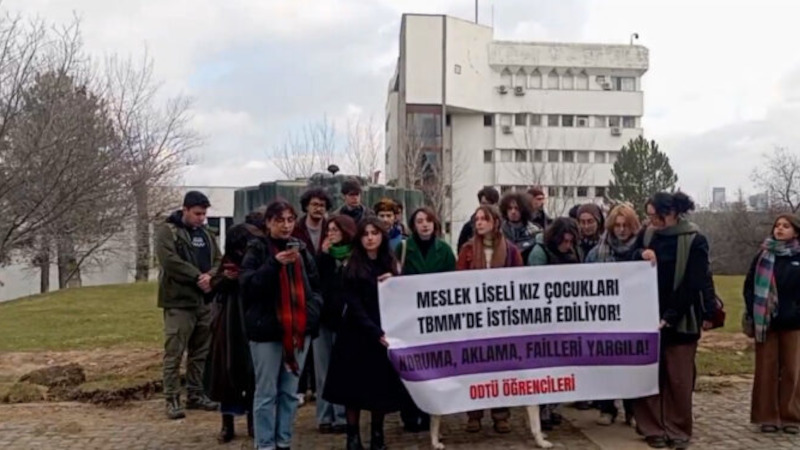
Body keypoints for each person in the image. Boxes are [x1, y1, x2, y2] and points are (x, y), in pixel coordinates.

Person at [633, 192, 714, 450]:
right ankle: (652, 427)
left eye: (655, 216)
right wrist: (641, 254)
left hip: (682, 319)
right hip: (647, 315)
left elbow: (694, 281)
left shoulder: (695, 240)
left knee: (679, 379)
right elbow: (630, 261)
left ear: (671, 213)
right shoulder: (647, 235)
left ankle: (678, 429)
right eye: (648, 216)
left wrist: (670, 316)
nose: (651, 221)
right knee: (648, 375)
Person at [240, 200, 322, 450]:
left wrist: (312, 312)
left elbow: (315, 285)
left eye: (290, 220)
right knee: (266, 393)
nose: (286, 226)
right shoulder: (257, 248)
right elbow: (248, 286)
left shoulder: (301, 249)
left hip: (298, 330)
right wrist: (274, 264)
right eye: (280, 220)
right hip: (267, 331)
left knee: (289, 393)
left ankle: (283, 441)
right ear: (268, 223)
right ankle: (265, 444)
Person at [324, 217, 405, 450]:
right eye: (366, 234)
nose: (370, 238)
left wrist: (395, 280)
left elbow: (402, 295)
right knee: (353, 389)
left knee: (379, 388)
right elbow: (353, 303)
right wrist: (373, 330)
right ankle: (353, 437)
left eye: (374, 233)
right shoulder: (352, 265)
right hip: (356, 333)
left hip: (382, 332)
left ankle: (377, 435)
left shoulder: (390, 262)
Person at [155, 190, 222, 420]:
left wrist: (211, 276)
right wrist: (197, 276)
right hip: (179, 302)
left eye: (203, 214)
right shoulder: (168, 231)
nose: (201, 218)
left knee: (200, 352)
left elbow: (219, 259)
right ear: (185, 210)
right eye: (197, 214)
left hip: (203, 301)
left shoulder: (207, 234)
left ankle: (196, 393)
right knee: (174, 352)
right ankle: (172, 397)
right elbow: (169, 261)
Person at [457, 205, 523, 434]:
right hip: (475, 318)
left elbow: (520, 281)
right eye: (476, 219)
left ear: (495, 222)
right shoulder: (467, 250)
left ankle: (501, 414)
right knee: (475, 366)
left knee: (500, 367)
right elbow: (458, 282)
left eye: (484, 219)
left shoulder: (511, 251)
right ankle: (474, 414)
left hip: (501, 318)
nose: (479, 223)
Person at [396, 207, 456, 432]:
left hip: (435, 318)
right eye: (420, 221)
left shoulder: (445, 250)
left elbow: (453, 283)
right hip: (409, 317)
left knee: (432, 366)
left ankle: (429, 411)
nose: (424, 224)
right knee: (410, 365)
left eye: (428, 220)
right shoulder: (402, 248)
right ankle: (409, 412)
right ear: (413, 225)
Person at [585, 204, 642, 426]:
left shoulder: (643, 250)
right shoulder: (596, 253)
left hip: (633, 318)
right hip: (605, 319)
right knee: (605, 364)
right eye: (617, 225)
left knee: (631, 365)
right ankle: (606, 408)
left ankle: (632, 410)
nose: (621, 230)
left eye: (625, 225)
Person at [743, 214, 800, 434]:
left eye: (786, 226)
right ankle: (767, 416)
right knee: (766, 370)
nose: (780, 229)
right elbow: (749, 286)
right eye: (777, 226)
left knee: (792, 370)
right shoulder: (763, 255)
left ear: (795, 231)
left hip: (793, 322)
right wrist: (754, 311)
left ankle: (791, 416)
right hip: (766, 322)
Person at [208, 223, 261, 442]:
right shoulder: (228, 260)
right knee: (227, 373)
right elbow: (214, 285)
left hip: (251, 320)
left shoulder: (257, 258)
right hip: (229, 324)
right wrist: (227, 279)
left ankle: (253, 421)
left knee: (253, 374)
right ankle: (227, 423)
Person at [527, 217, 582, 428]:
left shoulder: (573, 252)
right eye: (564, 241)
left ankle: (552, 407)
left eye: (571, 241)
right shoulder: (539, 253)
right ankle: (543, 411)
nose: (567, 245)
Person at [313, 214, 358, 434]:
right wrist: (322, 255)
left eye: (335, 230)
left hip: (345, 320)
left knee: (342, 370)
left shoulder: (355, 257)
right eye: (328, 230)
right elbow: (314, 281)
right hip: (323, 319)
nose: (331, 234)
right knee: (322, 370)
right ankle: (324, 415)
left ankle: (341, 415)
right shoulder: (323, 257)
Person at [293, 188, 333, 407]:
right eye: (315, 204)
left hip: (325, 291)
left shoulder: (331, 228)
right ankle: (299, 387)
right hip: (301, 291)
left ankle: (319, 389)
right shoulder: (296, 230)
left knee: (321, 348)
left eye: (322, 205)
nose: (318, 209)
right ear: (307, 206)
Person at [499, 191, 541, 262]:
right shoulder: (499, 232)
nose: (513, 212)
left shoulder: (534, 232)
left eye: (517, 208)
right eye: (510, 208)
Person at [457, 186, 500, 252]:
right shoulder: (469, 227)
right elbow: (461, 251)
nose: (486, 207)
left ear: (496, 205)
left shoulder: (503, 226)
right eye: (483, 203)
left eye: (489, 203)